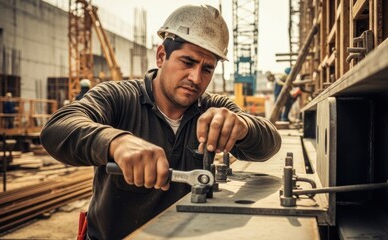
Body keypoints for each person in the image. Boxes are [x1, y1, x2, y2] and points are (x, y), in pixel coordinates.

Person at [41, 4, 281, 239]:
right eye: (187, 62)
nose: (196, 78)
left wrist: (243, 126)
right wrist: (116, 142)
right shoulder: (118, 98)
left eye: (207, 69)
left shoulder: (212, 108)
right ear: (161, 55)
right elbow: (57, 127)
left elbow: (269, 144)